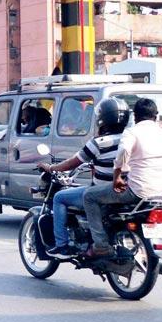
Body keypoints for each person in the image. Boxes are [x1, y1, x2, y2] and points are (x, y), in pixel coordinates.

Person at [82, 98, 162, 257]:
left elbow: (123, 152)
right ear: (156, 116)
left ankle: (100, 245)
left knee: (89, 196)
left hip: (136, 192)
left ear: (135, 117)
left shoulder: (132, 132)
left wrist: (117, 176)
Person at [37, 97, 128, 257]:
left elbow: (73, 162)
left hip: (101, 192)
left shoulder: (99, 143)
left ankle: (61, 246)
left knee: (59, 197)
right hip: (125, 191)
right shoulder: (129, 139)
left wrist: (51, 168)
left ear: (102, 119)